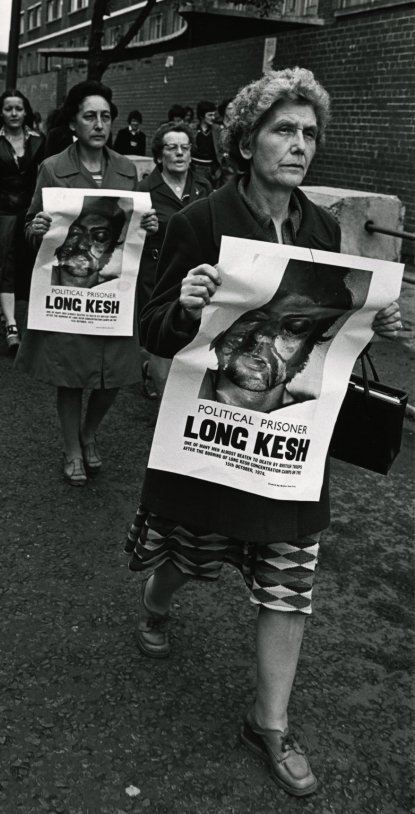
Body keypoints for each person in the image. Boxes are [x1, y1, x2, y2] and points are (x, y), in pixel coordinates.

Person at [126, 67, 401, 798]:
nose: (299, 145)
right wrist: (183, 306)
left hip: (288, 448)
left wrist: (378, 318)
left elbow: (332, 326)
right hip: (210, 442)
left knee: (289, 583)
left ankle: (267, 723)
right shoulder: (198, 222)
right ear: (246, 141)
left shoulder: (321, 227)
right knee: (193, 555)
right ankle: (156, 604)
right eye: (283, 129)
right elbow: (149, 328)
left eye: (309, 133)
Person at [16, 79, 158, 487]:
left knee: (115, 373)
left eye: (105, 117)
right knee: (70, 373)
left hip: (113, 292)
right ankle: (72, 448)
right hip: (67, 293)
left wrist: (148, 224)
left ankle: (90, 431)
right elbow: (31, 227)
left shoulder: (127, 169)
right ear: (74, 123)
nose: (99, 124)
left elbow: (132, 231)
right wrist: (37, 226)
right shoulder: (53, 168)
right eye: (89, 116)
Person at [198, 260, 355, 411]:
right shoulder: (180, 386)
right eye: (252, 317)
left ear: (308, 345)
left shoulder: (312, 416)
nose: (262, 337)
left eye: (294, 327)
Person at [137, 121, 211, 398]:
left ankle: (156, 376)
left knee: (190, 341)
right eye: (172, 148)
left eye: (184, 147)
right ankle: (166, 408)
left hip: (195, 276)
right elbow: (127, 239)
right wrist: (144, 230)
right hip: (156, 277)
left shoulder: (204, 187)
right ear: (159, 156)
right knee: (162, 342)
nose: (179, 153)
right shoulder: (145, 190)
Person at [0, 89, 45, 354]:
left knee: (32, 266)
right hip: (3, 212)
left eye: (19, 108)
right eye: (9, 109)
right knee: (5, 265)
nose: (14, 113)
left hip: (33, 212)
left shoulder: (40, 141)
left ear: (26, 111)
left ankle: (36, 321)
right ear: (1, 112)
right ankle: (11, 325)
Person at [51, 195, 129, 288]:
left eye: (100, 236)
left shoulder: (120, 289)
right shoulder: (38, 281)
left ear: (110, 247)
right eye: (74, 233)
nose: (82, 245)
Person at [191, 100, 222, 187]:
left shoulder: (217, 130)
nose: (213, 117)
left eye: (214, 114)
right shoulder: (193, 129)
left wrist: (219, 169)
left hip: (211, 169)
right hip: (195, 167)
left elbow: (221, 150)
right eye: (210, 115)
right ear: (202, 116)